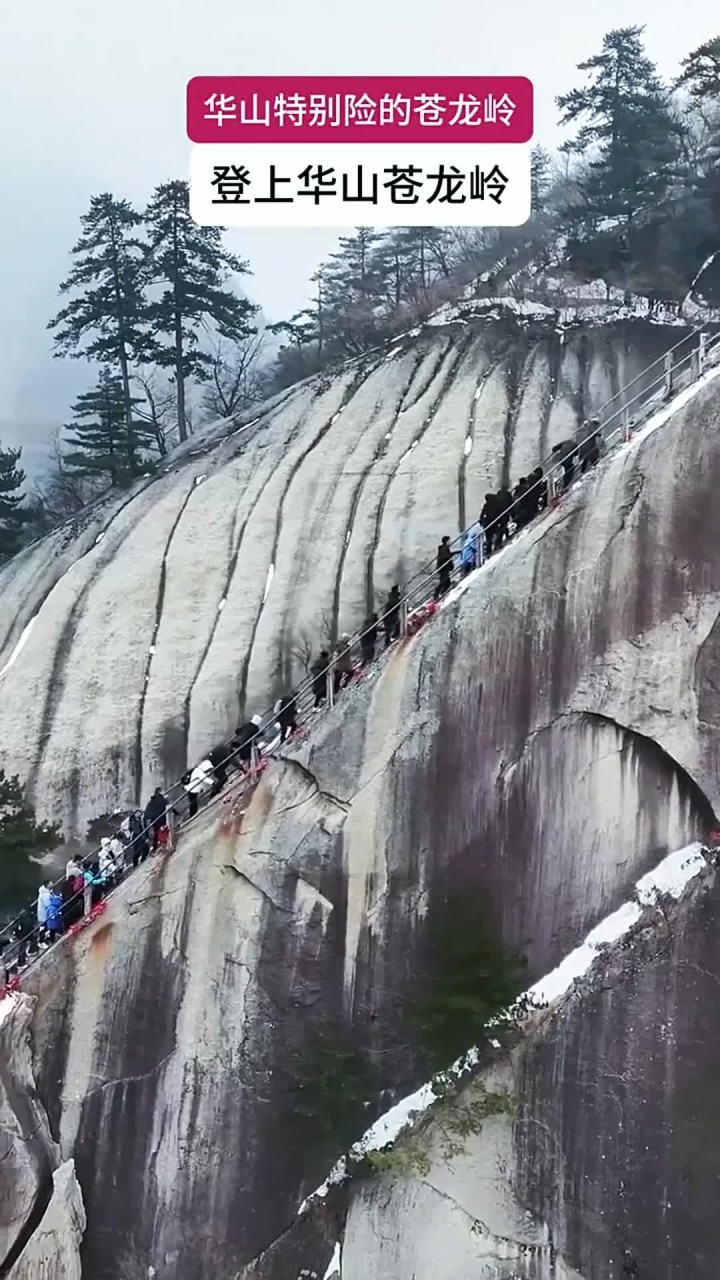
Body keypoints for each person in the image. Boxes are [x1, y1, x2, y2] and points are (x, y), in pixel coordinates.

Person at [144, 788, 168, 852]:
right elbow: (168, 806)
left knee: (156, 834)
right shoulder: (162, 799)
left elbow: (147, 812)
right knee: (163, 831)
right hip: (162, 819)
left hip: (155, 820)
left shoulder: (151, 802)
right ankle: (163, 843)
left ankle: (155, 847)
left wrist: (148, 817)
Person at [36, 880, 52, 944]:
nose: (52, 883)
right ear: (47, 885)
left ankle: (43, 937)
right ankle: (41, 941)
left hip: (42, 913)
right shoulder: (45, 894)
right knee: (44, 927)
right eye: (51, 883)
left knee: (43, 926)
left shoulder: (44, 891)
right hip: (44, 914)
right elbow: (48, 904)